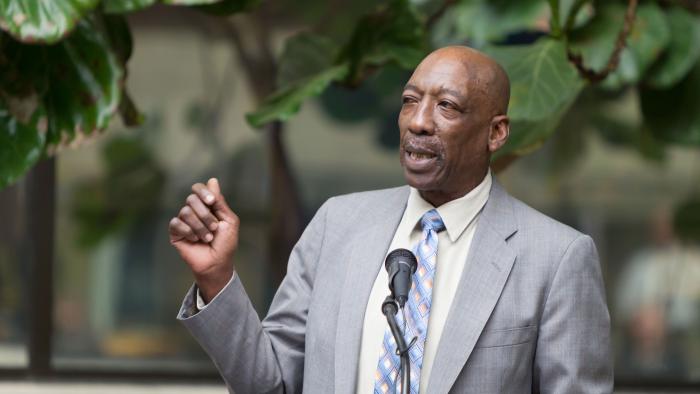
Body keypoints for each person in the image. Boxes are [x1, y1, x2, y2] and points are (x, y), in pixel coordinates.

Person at [169, 46, 613, 393]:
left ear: (496, 132)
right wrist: (217, 278)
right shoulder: (337, 225)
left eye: (447, 107)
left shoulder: (556, 258)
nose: (418, 122)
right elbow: (271, 385)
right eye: (410, 101)